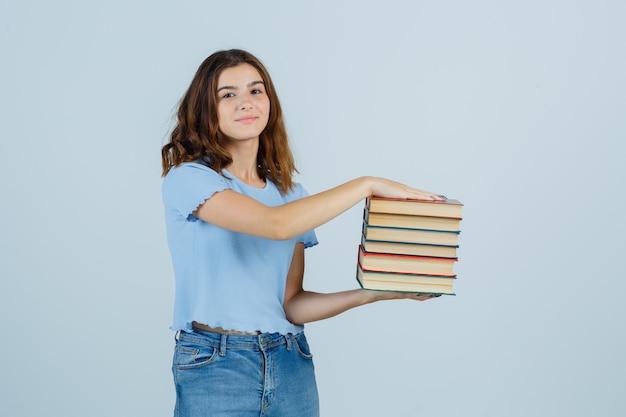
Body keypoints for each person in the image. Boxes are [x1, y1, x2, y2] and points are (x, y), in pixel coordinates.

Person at [161, 48, 445, 417]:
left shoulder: (291, 195)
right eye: (227, 94)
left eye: (255, 91)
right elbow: (275, 225)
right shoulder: (189, 178)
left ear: (270, 102)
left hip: (291, 361)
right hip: (216, 365)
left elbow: (292, 305)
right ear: (205, 109)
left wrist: (378, 292)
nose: (245, 103)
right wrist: (367, 184)